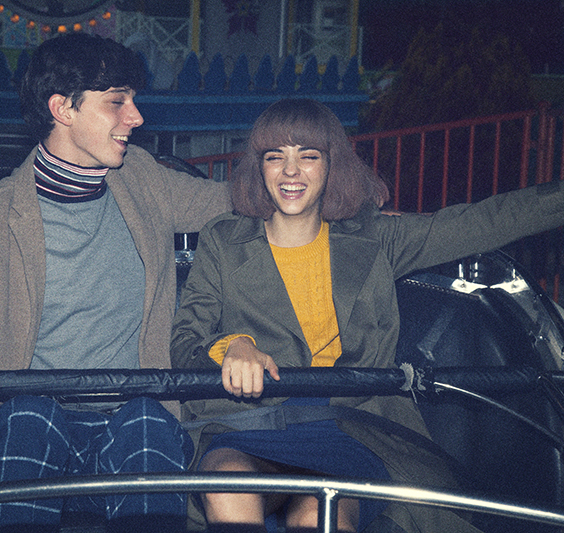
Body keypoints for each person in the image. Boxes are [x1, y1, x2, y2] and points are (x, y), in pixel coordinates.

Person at [171, 98, 564, 533]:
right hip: (249, 422)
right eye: (274, 157)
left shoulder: (376, 239)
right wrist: (233, 346)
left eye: (308, 156)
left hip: (351, 425)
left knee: (317, 514)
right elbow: (186, 339)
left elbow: (483, 221)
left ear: (332, 166)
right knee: (228, 486)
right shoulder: (223, 240)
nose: (290, 172)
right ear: (259, 168)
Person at [0, 33, 230, 531]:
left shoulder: (143, 179)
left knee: (147, 420)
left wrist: (320, 180)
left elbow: (238, 202)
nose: (136, 117)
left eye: (133, 100)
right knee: (29, 417)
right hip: (31, 421)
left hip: (131, 419)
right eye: (117, 101)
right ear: (63, 109)